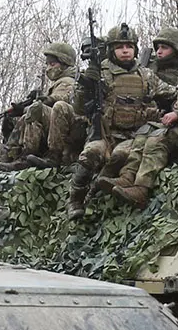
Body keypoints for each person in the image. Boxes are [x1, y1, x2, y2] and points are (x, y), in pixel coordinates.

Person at [69, 23, 160, 211]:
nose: (125, 51)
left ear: (135, 49)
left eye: (129, 46)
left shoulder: (147, 75)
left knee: (121, 155)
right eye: (119, 47)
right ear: (111, 50)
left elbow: (171, 93)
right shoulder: (100, 73)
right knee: (91, 154)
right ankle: (75, 199)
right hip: (104, 134)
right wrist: (86, 86)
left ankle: (98, 187)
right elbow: (78, 108)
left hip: (134, 136)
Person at [8, 40, 81, 166]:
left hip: (70, 132)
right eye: (47, 64)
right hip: (60, 129)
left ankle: (42, 156)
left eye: (53, 64)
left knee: (35, 111)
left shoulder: (68, 81)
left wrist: (40, 102)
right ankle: (18, 155)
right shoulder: (59, 82)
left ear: (65, 64)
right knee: (30, 113)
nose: (48, 68)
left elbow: (63, 99)